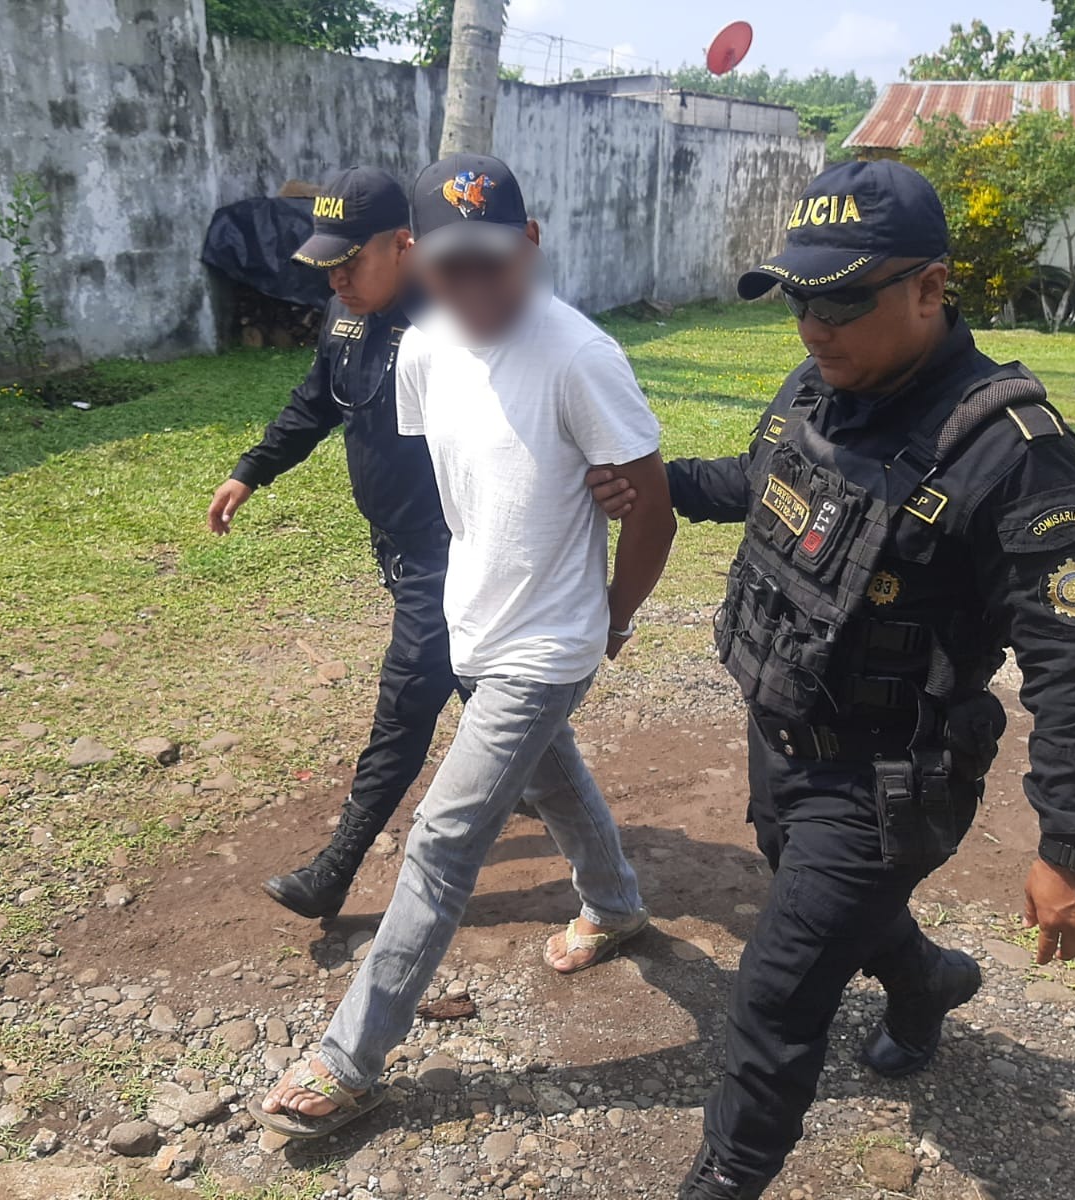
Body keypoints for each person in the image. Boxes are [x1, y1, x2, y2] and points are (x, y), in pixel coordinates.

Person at [589, 160, 1075, 1198]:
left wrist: (1072, 844)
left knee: (776, 995)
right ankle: (927, 984)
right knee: (820, 907)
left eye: (841, 298)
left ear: (928, 287)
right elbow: (761, 487)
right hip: (783, 733)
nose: (812, 325)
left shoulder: (1013, 451)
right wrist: (650, 485)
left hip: (890, 778)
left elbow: (1073, 660)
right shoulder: (824, 384)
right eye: (798, 297)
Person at [254, 153, 678, 1139]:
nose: (474, 286)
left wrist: (609, 617)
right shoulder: (422, 351)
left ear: (528, 247)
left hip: (550, 641)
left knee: (444, 838)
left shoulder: (580, 356)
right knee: (549, 775)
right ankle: (614, 904)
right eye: (452, 265)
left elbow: (650, 512)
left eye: (493, 261)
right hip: (471, 620)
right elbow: (445, 486)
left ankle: (348, 1060)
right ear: (420, 262)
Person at [207, 166, 459, 921]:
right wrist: (253, 469)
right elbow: (317, 398)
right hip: (396, 546)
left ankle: (336, 867)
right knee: (491, 696)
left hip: (451, 554)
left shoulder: (452, 328)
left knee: (407, 702)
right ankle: (570, 820)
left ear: (405, 245)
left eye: (352, 261)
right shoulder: (346, 312)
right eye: (327, 265)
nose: (338, 278)